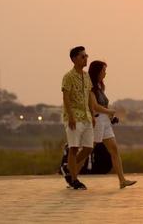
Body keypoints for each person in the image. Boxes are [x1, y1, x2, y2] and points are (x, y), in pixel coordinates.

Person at [88, 60, 137, 189]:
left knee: (114, 149)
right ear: (97, 72)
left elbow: (103, 105)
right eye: (103, 70)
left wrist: (110, 116)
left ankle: (122, 180)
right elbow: (95, 106)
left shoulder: (100, 86)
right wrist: (110, 111)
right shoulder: (90, 87)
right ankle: (72, 172)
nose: (105, 73)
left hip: (105, 121)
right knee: (88, 149)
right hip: (97, 121)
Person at [61, 46, 95, 189]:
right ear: (74, 59)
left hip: (86, 117)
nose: (86, 58)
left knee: (88, 148)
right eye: (83, 56)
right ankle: (74, 179)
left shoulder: (86, 76)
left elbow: (89, 96)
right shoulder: (68, 76)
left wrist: (92, 114)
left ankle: (68, 167)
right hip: (74, 117)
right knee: (74, 148)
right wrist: (71, 117)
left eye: (86, 56)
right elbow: (66, 98)